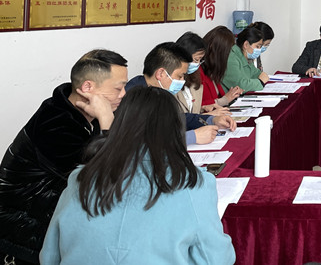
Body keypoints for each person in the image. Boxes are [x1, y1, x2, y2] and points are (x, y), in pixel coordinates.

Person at [40, 86, 235, 265]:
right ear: (176, 129)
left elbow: (49, 256)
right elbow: (216, 259)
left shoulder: (81, 177)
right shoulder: (192, 183)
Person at [0, 49, 128, 265]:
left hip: (49, 220)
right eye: (118, 88)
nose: (123, 94)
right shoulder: (55, 124)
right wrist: (107, 121)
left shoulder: (82, 114)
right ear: (87, 87)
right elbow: (102, 179)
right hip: (22, 233)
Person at [125, 42, 236, 145]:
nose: (182, 81)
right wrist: (191, 137)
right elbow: (142, 140)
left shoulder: (158, 92)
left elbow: (176, 118)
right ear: (161, 73)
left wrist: (211, 120)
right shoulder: (134, 97)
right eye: (180, 76)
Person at [175, 31, 229, 117]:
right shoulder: (172, 84)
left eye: (200, 60)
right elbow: (179, 118)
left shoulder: (193, 78)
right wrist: (207, 115)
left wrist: (203, 108)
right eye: (196, 60)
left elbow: (191, 109)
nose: (198, 64)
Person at [200, 26, 243, 107]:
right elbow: (201, 107)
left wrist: (232, 94)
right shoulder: (198, 71)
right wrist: (226, 99)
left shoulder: (212, 69)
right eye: (227, 52)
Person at [221, 26, 270, 92]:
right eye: (257, 46)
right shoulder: (231, 58)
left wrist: (262, 77)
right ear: (246, 44)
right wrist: (260, 82)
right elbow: (240, 86)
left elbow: (256, 74)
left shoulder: (246, 57)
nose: (259, 50)